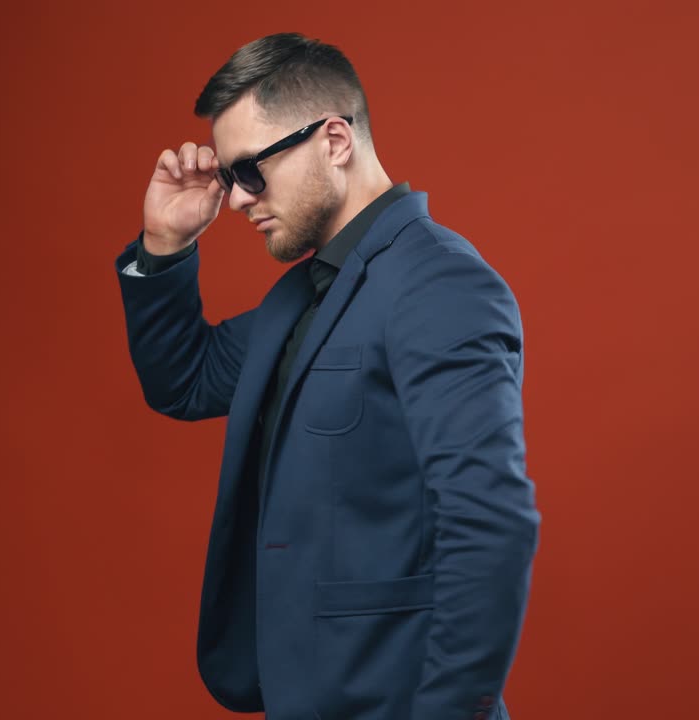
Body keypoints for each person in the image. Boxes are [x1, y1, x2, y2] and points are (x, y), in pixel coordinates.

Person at [113, 32, 540, 720]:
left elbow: (489, 522)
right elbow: (184, 381)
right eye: (230, 179)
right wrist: (165, 244)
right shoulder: (302, 297)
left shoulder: (440, 283)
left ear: (334, 139)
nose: (240, 200)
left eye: (251, 170)